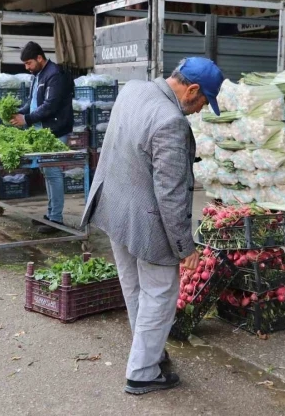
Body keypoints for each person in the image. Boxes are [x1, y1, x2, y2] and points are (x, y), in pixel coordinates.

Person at [80, 58, 224, 395]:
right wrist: (184, 247)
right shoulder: (171, 121)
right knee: (159, 293)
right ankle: (143, 372)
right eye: (204, 101)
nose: (201, 109)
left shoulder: (134, 89)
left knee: (133, 287)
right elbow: (171, 195)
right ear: (191, 90)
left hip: (114, 208)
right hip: (146, 219)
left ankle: (151, 352)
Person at [10, 41, 73, 234]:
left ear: (39, 58)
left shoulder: (55, 75)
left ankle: (56, 219)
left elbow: (50, 106)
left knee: (53, 173)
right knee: (47, 172)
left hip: (55, 131)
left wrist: (26, 119)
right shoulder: (38, 75)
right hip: (41, 131)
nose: (27, 68)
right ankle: (51, 214)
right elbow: (32, 102)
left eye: (29, 63)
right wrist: (17, 112)